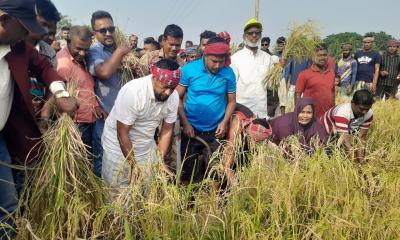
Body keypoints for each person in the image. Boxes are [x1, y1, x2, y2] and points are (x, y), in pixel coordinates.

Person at [0, 0, 78, 236]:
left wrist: (62, 94)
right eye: (24, 28)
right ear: (4, 19)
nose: (28, 33)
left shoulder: (20, 49)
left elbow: (44, 67)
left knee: (8, 208)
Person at [101, 59, 180, 191]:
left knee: (145, 193)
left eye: (172, 88)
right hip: (118, 150)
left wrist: (159, 161)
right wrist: (134, 166)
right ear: (154, 78)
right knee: (118, 196)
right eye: (165, 87)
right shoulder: (133, 92)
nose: (168, 93)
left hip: (146, 148)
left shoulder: (173, 97)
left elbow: (167, 129)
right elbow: (122, 133)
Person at [176, 36, 236, 183]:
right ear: (205, 55)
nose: (217, 66)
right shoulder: (189, 69)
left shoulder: (228, 73)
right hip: (191, 131)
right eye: (214, 61)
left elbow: (231, 101)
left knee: (215, 172)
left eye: (221, 62)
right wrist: (185, 124)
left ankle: (213, 204)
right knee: (188, 172)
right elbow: (176, 98)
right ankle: (188, 203)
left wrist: (224, 122)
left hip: (215, 131)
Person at [54, 26, 106, 174]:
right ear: (67, 42)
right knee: (75, 166)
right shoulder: (64, 64)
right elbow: (58, 97)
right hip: (75, 124)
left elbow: (86, 88)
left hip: (88, 119)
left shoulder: (82, 59)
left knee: (86, 162)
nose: (82, 53)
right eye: (78, 49)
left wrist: (95, 105)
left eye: (86, 49)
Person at [87, 10, 131, 177]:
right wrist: (120, 52)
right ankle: (102, 196)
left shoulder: (120, 50)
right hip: (105, 116)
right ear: (94, 33)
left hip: (125, 116)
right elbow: (104, 72)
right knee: (102, 157)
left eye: (111, 29)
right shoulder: (95, 51)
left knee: (123, 157)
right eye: (102, 30)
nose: (108, 33)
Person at [231, 18, 286, 119]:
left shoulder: (267, 58)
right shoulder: (235, 59)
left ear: (260, 36)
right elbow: (231, 87)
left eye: (257, 33)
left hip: (262, 112)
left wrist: (279, 69)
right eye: (250, 33)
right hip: (241, 113)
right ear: (244, 36)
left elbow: (271, 85)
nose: (254, 36)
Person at [223, 103, 273, 185]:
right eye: (255, 142)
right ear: (250, 136)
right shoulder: (236, 129)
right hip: (218, 121)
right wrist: (236, 184)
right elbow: (226, 163)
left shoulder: (256, 124)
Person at [321, 90, 374, 162]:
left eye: (367, 109)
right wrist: (354, 164)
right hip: (326, 133)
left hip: (345, 130)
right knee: (330, 157)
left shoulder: (369, 114)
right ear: (352, 103)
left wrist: (361, 162)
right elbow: (345, 140)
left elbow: (362, 138)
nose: (364, 112)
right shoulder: (342, 113)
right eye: (361, 109)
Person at [296, 43, 335, 118]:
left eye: (325, 55)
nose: (322, 58)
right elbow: (298, 94)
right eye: (319, 55)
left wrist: (333, 110)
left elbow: (332, 92)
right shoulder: (304, 74)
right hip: (310, 115)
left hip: (327, 115)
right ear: (313, 57)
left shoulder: (332, 73)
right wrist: (298, 112)